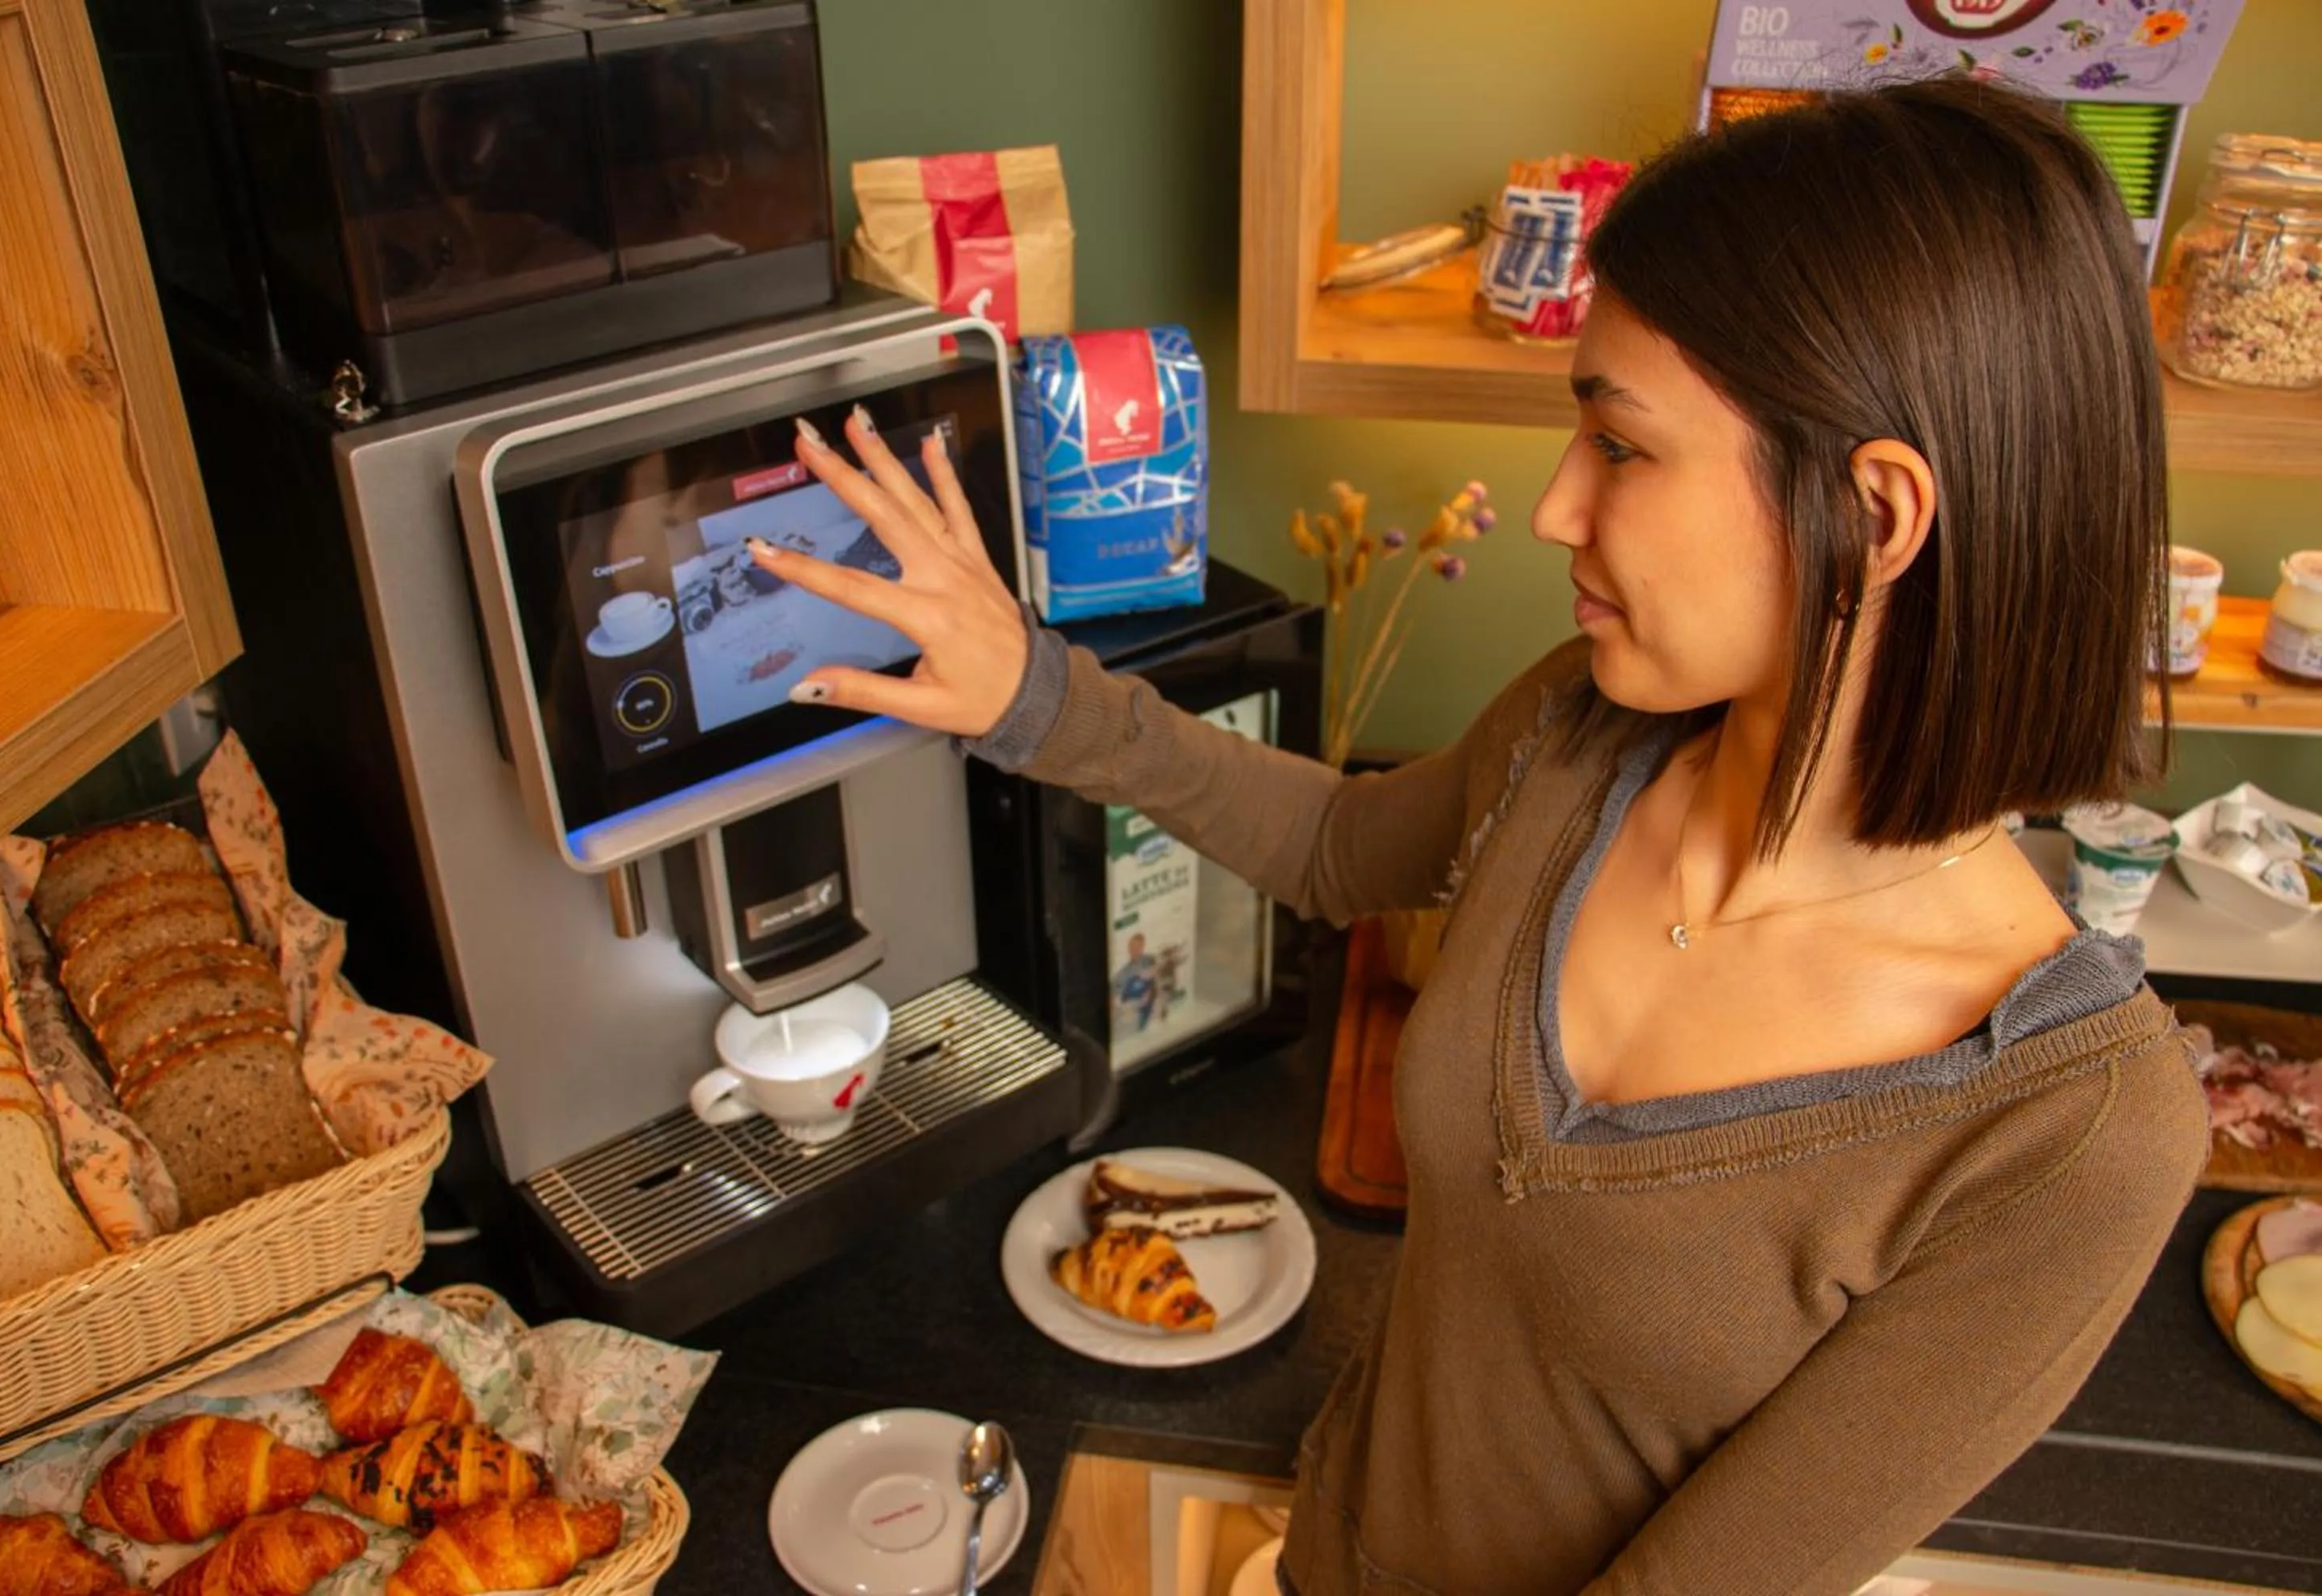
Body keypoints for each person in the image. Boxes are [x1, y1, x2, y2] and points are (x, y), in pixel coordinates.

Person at [747, 76, 2209, 1596]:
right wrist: (1032, 691)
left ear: (1880, 515)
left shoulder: (2070, 1137)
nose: (1556, 510)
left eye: (1622, 448)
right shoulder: (1589, 731)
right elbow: (1338, 849)